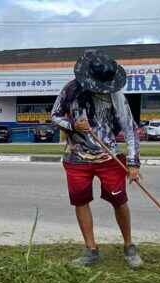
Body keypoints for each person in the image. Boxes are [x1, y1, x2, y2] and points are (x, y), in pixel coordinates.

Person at [50, 50, 143, 269]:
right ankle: (91, 249)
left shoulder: (115, 94)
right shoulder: (70, 90)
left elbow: (130, 130)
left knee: (119, 200)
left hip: (109, 157)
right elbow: (54, 116)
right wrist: (73, 126)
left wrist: (133, 163)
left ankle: (129, 246)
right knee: (81, 201)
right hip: (76, 158)